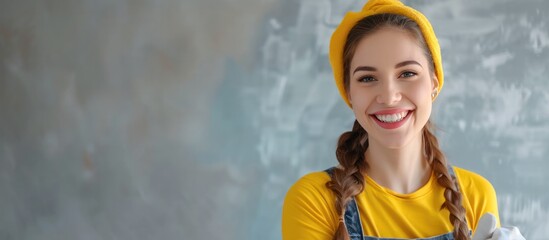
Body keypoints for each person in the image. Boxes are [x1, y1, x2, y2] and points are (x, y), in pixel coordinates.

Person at [281, 0, 525, 240]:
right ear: (349, 93)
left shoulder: (476, 194)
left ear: (434, 82)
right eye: (367, 78)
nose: (389, 96)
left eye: (407, 73)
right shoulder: (313, 200)